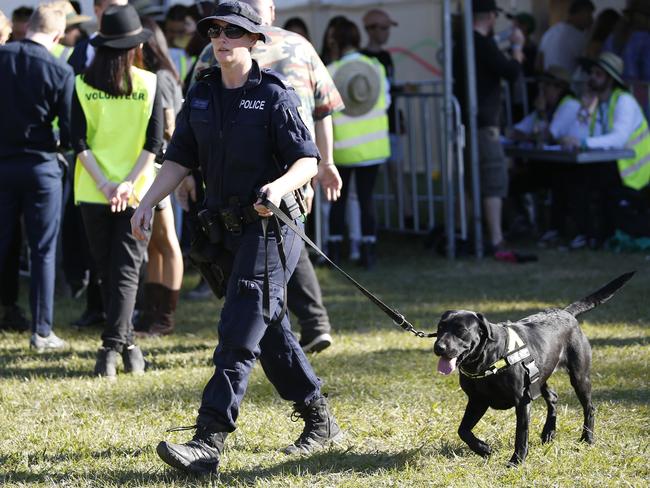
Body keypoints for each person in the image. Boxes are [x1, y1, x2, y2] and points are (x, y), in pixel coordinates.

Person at [131, 1, 342, 473]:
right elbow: (179, 157)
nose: (221, 39)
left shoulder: (273, 95)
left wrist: (281, 185)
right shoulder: (202, 94)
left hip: (272, 226)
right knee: (269, 333)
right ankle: (319, 418)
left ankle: (208, 440)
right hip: (223, 230)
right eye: (215, 31)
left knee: (237, 330)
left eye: (233, 32)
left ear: (253, 39)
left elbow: (306, 159)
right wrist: (148, 201)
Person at [186, 0, 344, 353]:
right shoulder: (300, 45)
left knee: (276, 244)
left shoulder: (218, 50)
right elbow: (324, 109)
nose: (222, 36)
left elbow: (196, 116)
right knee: (288, 236)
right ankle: (300, 326)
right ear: (269, 11)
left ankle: (273, 329)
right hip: (297, 165)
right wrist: (325, 161)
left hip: (263, 169)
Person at [71, 4, 163, 377]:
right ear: (132, 47)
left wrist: (107, 184)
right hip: (137, 191)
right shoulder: (149, 83)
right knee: (125, 272)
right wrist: (126, 183)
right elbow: (154, 143)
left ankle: (116, 349)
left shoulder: (81, 84)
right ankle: (122, 346)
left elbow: (77, 141)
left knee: (110, 272)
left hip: (94, 192)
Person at [0, 3, 72, 350]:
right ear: (57, 35)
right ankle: (42, 331)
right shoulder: (59, 68)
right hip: (41, 165)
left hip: (2, 163)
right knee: (43, 249)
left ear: (26, 27)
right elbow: (71, 132)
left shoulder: (2, 56)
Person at [65, 0, 127, 329]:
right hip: (92, 171)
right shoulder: (83, 50)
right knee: (95, 251)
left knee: (127, 257)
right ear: (97, 9)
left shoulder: (138, 53)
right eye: (111, 7)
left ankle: (124, 319)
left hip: (130, 175)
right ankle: (96, 308)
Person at [453, 0, 523, 256]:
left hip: (470, 124)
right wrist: (517, 48)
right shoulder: (481, 43)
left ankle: (465, 235)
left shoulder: (463, 43)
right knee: (493, 180)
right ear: (491, 16)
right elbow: (511, 72)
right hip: (484, 126)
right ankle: (495, 239)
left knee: (470, 182)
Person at [560, 52, 650, 248]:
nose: (592, 78)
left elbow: (618, 139)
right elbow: (580, 135)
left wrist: (583, 143)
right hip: (613, 166)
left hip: (633, 171)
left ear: (610, 79)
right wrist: (584, 109)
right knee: (570, 175)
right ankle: (585, 233)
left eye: (598, 74)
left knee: (583, 179)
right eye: (591, 73)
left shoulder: (624, 101)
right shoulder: (599, 105)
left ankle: (592, 234)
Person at [327, 18, 390, 269]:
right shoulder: (376, 67)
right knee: (367, 200)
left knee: (338, 201)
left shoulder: (331, 71)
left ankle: (334, 253)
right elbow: (385, 103)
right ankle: (369, 251)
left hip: (343, 148)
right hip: (374, 148)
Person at [136, 16, 184, 336]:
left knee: (168, 243)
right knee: (154, 244)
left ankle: (165, 316)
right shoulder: (156, 73)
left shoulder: (162, 76)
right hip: (153, 167)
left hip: (163, 165)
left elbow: (170, 126)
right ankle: (152, 311)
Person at [509, 66, 582, 247]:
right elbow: (515, 132)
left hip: (569, 167)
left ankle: (555, 227)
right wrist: (533, 129)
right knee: (513, 181)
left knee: (559, 182)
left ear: (559, 88)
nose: (541, 91)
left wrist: (541, 115)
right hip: (548, 164)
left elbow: (547, 135)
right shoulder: (547, 107)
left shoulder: (569, 105)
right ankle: (522, 222)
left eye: (546, 87)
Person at [361, 8, 413, 229]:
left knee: (397, 173)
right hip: (371, 129)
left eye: (387, 28)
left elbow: (388, 90)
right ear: (371, 30)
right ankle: (369, 224)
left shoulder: (386, 56)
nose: (386, 33)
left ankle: (408, 217)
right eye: (383, 28)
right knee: (369, 180)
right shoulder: (363, 58)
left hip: (389, 125)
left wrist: (398, 115)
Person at [536, 0, 595, 73]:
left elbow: (539, 63)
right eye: (589, 15)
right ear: (579, 14)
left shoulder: (551, 31)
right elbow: (588, 64)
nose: (591, 20)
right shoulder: (578, 36)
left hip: (549, 81)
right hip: (567, 82)